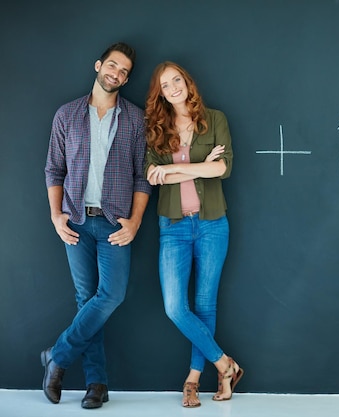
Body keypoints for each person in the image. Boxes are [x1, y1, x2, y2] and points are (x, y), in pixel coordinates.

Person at [42, 42, 151, 409]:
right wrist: (56, 215)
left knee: (110, 296)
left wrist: (135, 222)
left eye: (124, 72)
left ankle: (57, 357)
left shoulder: (135, 119)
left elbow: (141, 177)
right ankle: (97, 385)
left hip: (113, 224)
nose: (117, 74)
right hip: (74, 220)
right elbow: (54, 170)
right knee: (86, 301)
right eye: (113, 66)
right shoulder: (67, 115)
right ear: (98, 65)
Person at [144, 61, 243, 408]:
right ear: (160, 94)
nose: (173, 87)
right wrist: (198, 167)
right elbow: (152, 177)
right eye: (165, 85)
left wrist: (173, 168)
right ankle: (224, 364)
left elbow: (223, 167)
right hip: (173, 226)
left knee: (204, 305)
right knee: (175, 307)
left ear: (187, 81)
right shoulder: (157, 129)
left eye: (177, 80)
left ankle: (194, 378)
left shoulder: (214, 119)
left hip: (213, 222)